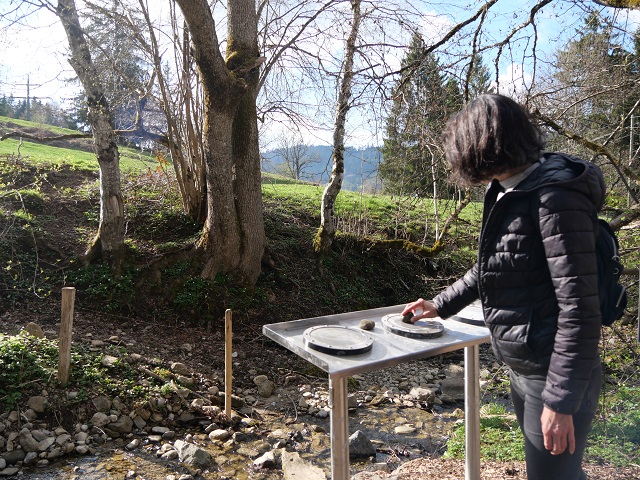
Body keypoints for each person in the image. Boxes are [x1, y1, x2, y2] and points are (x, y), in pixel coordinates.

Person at [402, 93, 603, 480]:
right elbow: (489, 269)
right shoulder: (509, 189)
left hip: (552, 374)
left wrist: (560, 402)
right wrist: (439, 305)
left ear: (487, 145)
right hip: (525, 366)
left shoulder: (555, 197)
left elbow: (579, 307)